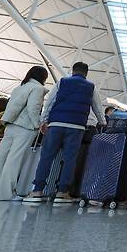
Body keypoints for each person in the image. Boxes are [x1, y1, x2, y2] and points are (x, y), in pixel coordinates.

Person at [23, 62, 105, 204]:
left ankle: (37, 190)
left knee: (47, 157)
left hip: (56, 124)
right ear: (86, 73)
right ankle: (62, 192)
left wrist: (44, 121)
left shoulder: (62, 82)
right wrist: (102, 122)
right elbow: (97, 107)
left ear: (72, 71)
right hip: (77, 126)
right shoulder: (91, 87)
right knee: (70, 159)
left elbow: (50, 101)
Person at [0, 66, 49, 201]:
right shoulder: (38, 89)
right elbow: (33, 108)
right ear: (43, 77)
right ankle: (5, 194)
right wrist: (39, 125)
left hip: (10, 126)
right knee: (14, 160)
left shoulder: (19, 88)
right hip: (25, 128)